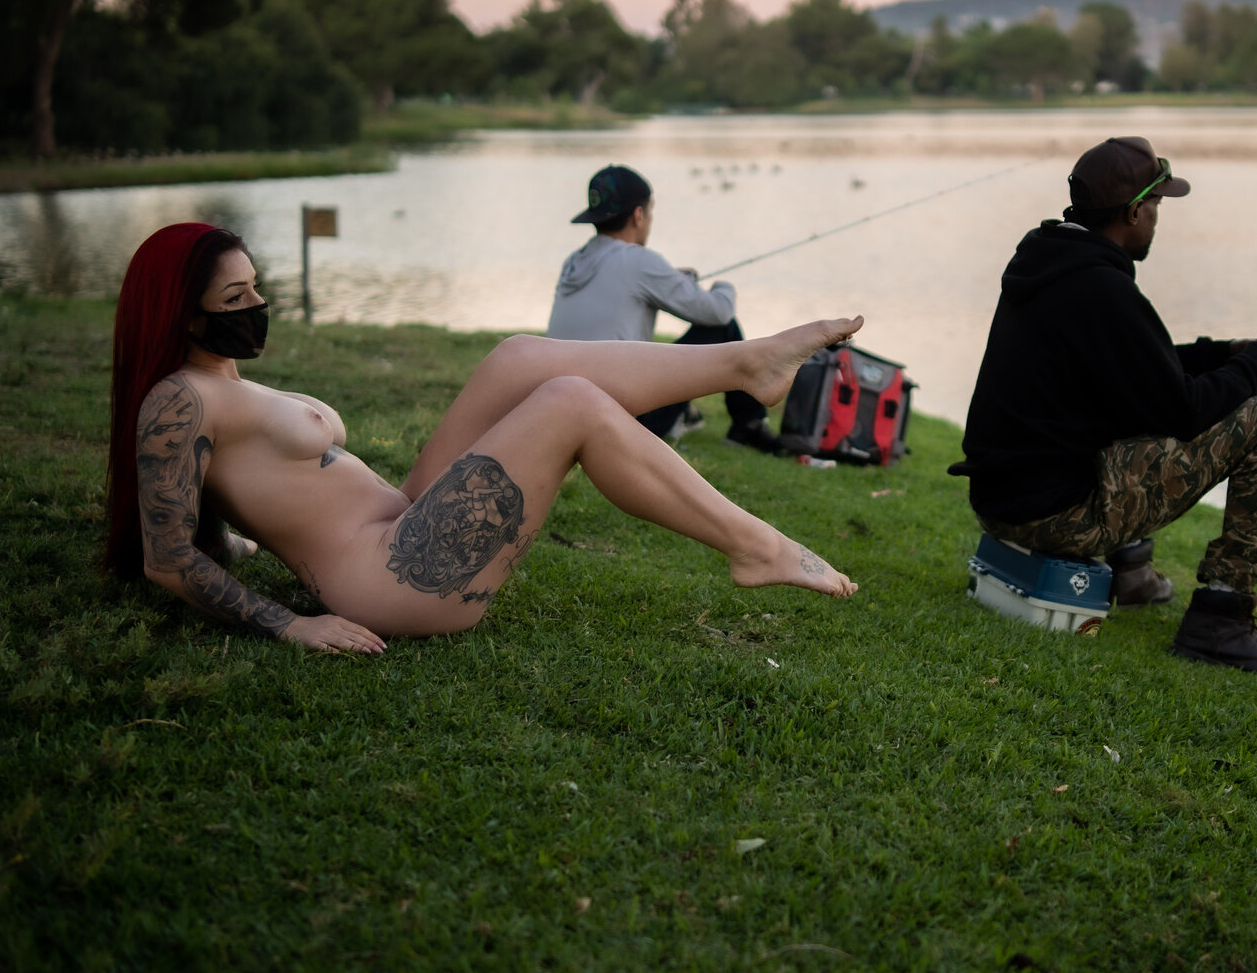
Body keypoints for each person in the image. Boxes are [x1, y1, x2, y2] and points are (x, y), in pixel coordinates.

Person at [106, 223, 860, 652]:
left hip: (400, 523)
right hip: (389, 579)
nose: (257, 304)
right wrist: (293, 625)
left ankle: (744, 363)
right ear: (183, 313)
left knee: (519, 358)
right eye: (236, 297)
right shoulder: (179, 400)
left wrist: (233, 541)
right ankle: (754, 546)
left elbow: (219, 504)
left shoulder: (220, 381)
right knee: (569, 401)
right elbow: (167, 561)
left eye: (256, 286)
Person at [948, 136, 1257, 680]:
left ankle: (1132, 571)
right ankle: (1222, 619)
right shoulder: (1103, 288)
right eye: (1158, 205)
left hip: (1002, 503)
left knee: (1128, 411)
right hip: (1056, 518)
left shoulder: (1049, 261)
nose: (1158, 219)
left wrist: (1228, 352)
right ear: (1135, 211)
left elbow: (1140, 368)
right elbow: (1184, 411)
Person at [547, 164, 782, 452]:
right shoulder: (639, 261)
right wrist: (724, 286)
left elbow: (625, 285)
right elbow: (719, 311)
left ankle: (691, 416)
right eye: (650, 212)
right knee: (723, 327)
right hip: (618, 421)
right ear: (638, 215)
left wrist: (671, 279)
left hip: (561, 408)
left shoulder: (574, 262)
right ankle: (749, 426)